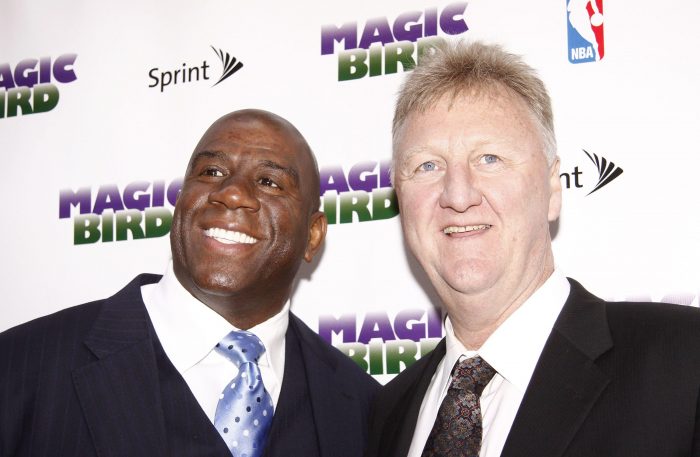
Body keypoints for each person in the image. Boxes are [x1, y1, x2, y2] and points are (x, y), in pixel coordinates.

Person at [366, 41, 700, 457]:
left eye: (489, 158)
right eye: (427, 166)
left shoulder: (685, 361)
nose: (457, 195)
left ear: (553, 188)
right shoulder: (386, 413)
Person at [0, 109, 379, 457]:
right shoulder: (18, 367)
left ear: (313, 235)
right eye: (211, 172)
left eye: (269, 182)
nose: (231, 192)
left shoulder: (365, 410)